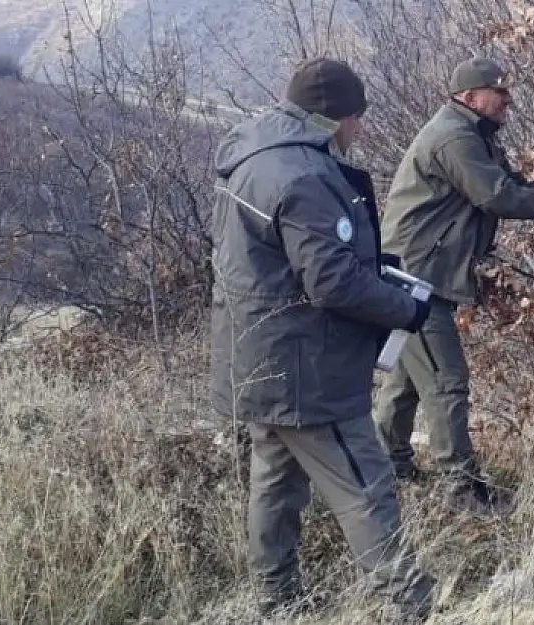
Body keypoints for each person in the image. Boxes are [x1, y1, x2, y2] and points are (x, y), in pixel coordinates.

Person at [209, 57, 436, 619]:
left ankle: (277, 597)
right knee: (365, 483)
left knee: (275, 482)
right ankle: (410, 603)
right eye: (356, 118)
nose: (359, 130)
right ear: (333, 117)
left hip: (257, 357)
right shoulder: (306, 176)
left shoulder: (252, 157)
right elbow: (331, 280)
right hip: (307, 368)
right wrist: (405, 307)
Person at [371, 56, 534, 513]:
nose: (508, 100)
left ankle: (386, 467)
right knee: (446, 379)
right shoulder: (455, 136)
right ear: (470, 96)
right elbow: (498, 196)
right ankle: (462, 489)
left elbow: (509, 184)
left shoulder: (471, 133)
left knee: (409, 379)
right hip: (416, 279)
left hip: (412, 273)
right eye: (500, 92)